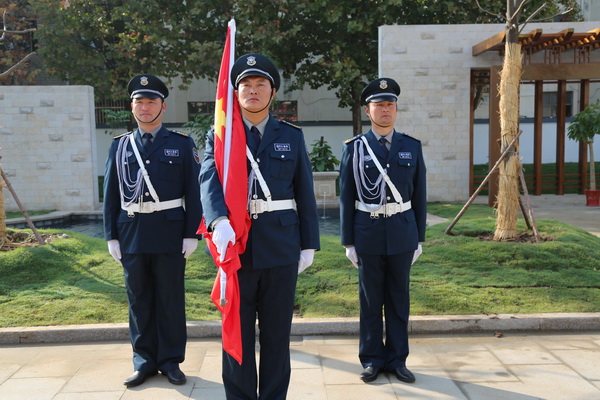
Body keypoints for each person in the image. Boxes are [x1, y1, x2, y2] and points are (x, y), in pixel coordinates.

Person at [199, 53, 320, 400]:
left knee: (277, 335)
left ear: (273, 92)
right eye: (245, 85)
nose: (253, 91)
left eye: (260, 85)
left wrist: (308, 243)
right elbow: (207, 180)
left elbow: (305, 191)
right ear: (235, 94)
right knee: (235, 333)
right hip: (235, 247)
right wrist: (218, 220)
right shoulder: (221, 136)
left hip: (281, 245)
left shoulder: (291, 136)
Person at [103, 74, 202, 388]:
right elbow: (111, 194)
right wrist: (111, 235)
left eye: (151, 101)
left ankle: (171, 361)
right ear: (132, 106)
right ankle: (143, 361)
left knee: (170, 299)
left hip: (171, 232)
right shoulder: (120, 145)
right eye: (139, 102)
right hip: (131, 232)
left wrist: (192, 233)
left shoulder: (181, 144)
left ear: (163, 106)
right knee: (139, 299)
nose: (144, 107)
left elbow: (194, 192)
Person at [339, 77, 426, 384]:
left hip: (402, 234)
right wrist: (348, 241)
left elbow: (420, 195)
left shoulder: (411, 147)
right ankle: (373, 359)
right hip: (368, 233)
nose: (385, 110)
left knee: (399, 300)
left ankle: (398, 359)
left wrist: (419, 237)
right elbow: (346, 197)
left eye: (390, 105)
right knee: (370, 301)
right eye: (379, 105)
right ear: (368, 110)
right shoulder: (355, 148)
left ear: (396, 110)